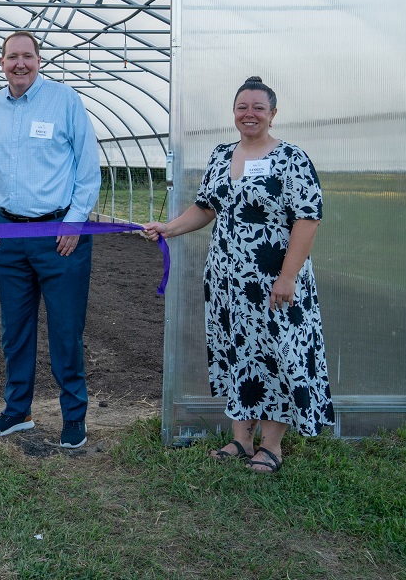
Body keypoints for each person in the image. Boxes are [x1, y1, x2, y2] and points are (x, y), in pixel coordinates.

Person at [143, 76, 333, 474]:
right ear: (234, 113)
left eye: (258, 108)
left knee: (275, 355)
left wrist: (287, 276)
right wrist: (169, 228)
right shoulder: (221, 155)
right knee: (237, 353)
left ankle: (272, 447)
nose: (249, 114)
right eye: (242, 107)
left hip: (273, 281)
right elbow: (207, 208)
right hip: (229, 284)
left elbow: (308, 220)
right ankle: (240, 440)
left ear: (273, 114)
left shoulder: (291, 158)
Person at [0, 31, 101, 450]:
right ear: (2, 62)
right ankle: (17, 411)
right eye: (13, 57)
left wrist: (75, 221)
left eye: (27, 56)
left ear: (39, 60)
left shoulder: (64, 101)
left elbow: (87, 166)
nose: (20, 64)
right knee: (16, 330)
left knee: (66, 331)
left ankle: (73, 418)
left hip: (59, 234)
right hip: (9, 236)